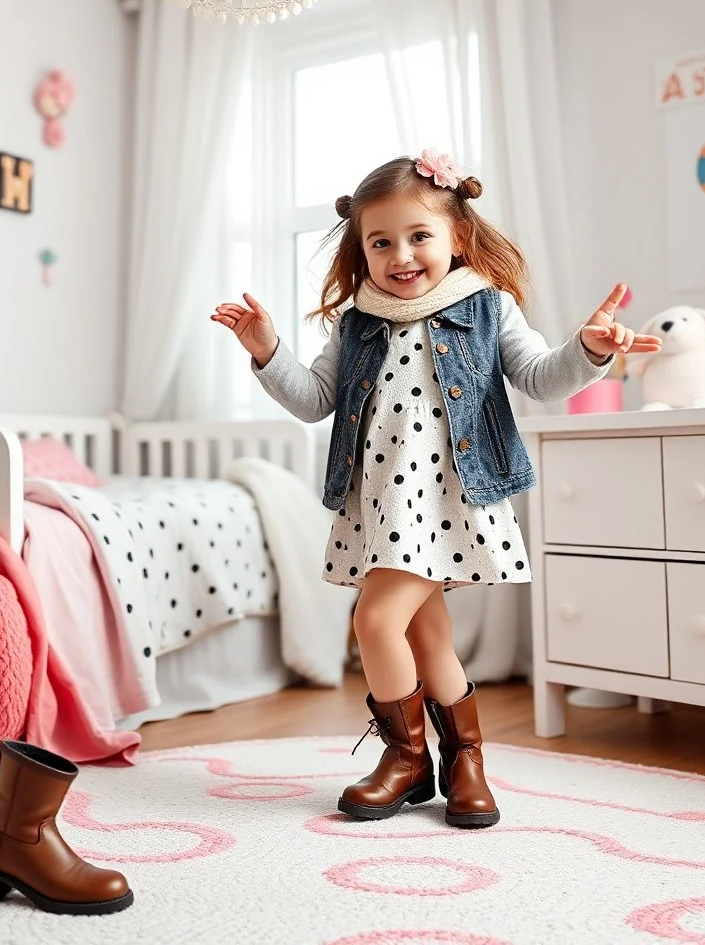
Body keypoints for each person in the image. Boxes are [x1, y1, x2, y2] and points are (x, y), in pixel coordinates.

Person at [211, 149, 661, 828]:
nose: (401, 254)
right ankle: (464, 761)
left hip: (451, 501)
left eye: (419, 236)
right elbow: (314, 400)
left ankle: (407, 758)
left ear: (457, 236)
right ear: (361, 250)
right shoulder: (356, 320)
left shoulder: (487, 307)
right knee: (429, 640)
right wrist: (268, 351)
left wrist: (590, 350)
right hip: (383, 503)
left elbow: (540, 378)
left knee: (374, 620)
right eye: (381, 241)